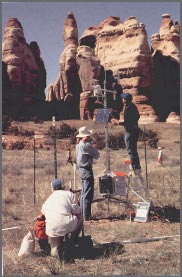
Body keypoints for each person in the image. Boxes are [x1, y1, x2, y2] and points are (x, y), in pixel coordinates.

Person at [41, 178, 83, 257]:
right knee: (81, 217)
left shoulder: (48, 200)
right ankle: (72, 241)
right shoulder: (69, 194)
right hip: (67, 224)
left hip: (51, 229)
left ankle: (56, 250)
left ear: (52, 188)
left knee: (53, 251)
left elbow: (43, 213)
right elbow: (77, 212)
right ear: (63, 187)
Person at [111, 92, 141, 175]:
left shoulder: (128, 108)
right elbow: (137, 117)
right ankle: (137, 167)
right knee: (134, 150)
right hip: (135, 130)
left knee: (130, 150)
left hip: (130, 131)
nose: (122, 99)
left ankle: (135, 167)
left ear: (125, 100)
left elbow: (127, 122)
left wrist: (118, 122)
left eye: (123, 98)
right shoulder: (133, 106)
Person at [76, 126, 100, 221]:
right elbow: (97, 155)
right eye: (88, 136)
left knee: (83, 193)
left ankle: (83, 215)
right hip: (87, 170)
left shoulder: (78, 145)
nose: (90, 137)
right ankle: (86, 217)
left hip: (81, 170)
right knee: (87, 194)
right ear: (86, 136)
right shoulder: (86, 146)